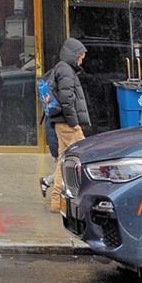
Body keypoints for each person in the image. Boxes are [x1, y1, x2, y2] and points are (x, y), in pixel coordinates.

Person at [44, 37, 92, 214]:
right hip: (67, 124)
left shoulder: (63, 68)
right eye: (80, 57)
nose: (81, 60)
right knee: (85, 158)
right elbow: (67, 100)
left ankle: (56, 200)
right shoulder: (65, 70)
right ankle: (86, 200)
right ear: (74, 55)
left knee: (63, 162)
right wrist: (75, 124)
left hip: (61, 123)